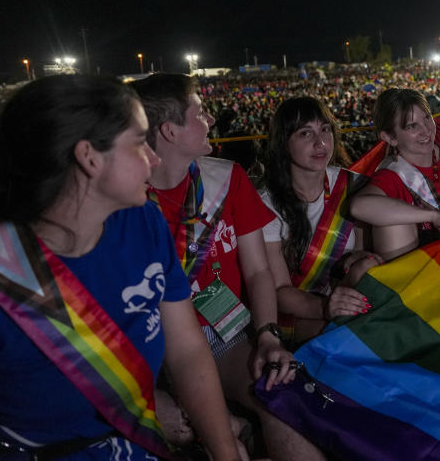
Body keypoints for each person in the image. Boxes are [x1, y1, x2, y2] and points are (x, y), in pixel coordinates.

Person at [0, 75, 244, 459]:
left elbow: (187, 351)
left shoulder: (145, 223)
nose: (154, 157)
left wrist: (225, 452)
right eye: (137, 144)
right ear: (89, 157)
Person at [133, 74, 323, 461]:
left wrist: (268, 336)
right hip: (148, 344)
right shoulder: (125, 198)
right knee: (189, 430)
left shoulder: (226, 178)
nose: (211, 120)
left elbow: (258, 272)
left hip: (223, 332)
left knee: (279, 393)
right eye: (200, 113)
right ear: (169, 131)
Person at [259, 97, 378, 345]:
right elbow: (279, 291)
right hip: (296, 314)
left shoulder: (355, 186)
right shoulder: (266, 205)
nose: (321, 142)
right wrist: (326, 307)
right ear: (283, 143)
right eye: (305, 133)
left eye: (325, 129)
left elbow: (362, 254)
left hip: (347, 295)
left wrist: (356, 260)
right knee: (346, 342)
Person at [350, 88, 440, 261]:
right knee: (393, 224)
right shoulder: (391, 175)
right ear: (390, 137)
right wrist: (434, 217)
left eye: (427, 118)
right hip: (416, 270)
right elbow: (358, 206)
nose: (426, 130)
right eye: (412, 126)